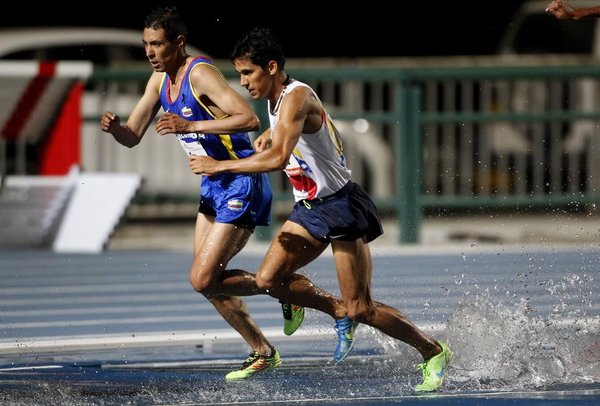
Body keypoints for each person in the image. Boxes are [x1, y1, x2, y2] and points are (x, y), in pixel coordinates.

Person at [189, 27, 452, 392]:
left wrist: (222, 166)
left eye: (248, 73)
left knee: (361, 308)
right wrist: (270, 133)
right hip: (310, 209)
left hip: (341, 206)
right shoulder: (276, 98)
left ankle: (433, 350)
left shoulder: (295, 97)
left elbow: (279, 157)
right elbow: (290, 140)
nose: (243, 82)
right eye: (239, 74)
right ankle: (306, 303)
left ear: (271, 67)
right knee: (268, 281)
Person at [100, 6, 307, 381]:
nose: (149, 52)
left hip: (240, 180)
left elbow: (249, 118)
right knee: (208, 283)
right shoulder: (157, 80)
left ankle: (286, 288)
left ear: (178, 43)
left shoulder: (201, 74)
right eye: (145, 44)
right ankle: (262, 351)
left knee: (202, 277)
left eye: (157, 44)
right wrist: (116, 129)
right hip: (213, 185)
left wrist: (190, 123)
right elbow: (133, 135)